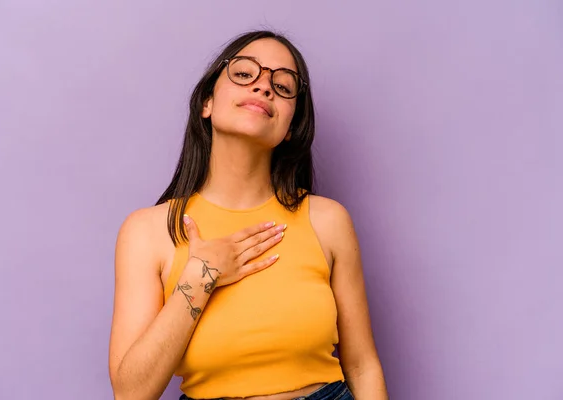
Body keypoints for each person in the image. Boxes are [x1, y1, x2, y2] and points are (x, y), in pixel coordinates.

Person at [108, 30, 388, 400]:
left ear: (290, 127)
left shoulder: (328, 221)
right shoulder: (148, 231)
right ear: (207, 102)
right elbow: (131, 393)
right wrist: (201, 275)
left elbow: (362, 365)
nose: (264, 88)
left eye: (283, 86)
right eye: (244, 74)